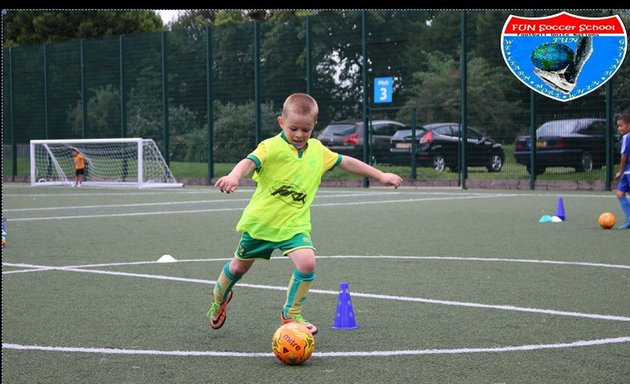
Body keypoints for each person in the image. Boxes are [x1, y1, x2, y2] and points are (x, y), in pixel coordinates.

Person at [208, 93, 403, 334]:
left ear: (314, 127)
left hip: (294, 225)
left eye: (306, 129)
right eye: (293, 129)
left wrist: (381, 176)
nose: (299, 135)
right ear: (281, 122)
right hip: (262, 223)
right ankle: (218, 300)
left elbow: (347, 162)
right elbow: (248, 162)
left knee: (307, 263)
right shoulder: (271, 146)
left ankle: (290, 315)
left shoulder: (318, 151)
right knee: (238, 268)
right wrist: (234, 176)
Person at [614, 113, 630, 229]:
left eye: (621, 126)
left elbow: (624, 156)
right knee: (620, 194)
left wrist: (620, 171)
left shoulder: (626, 137)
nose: (619, 128)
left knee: (620, 194)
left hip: (628, 171)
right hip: (627, 172)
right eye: (618, 126)